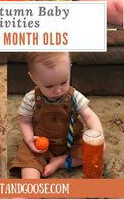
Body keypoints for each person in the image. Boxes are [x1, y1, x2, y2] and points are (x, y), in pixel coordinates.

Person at [9, 52, 104, 191]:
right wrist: (29, 139)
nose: (58, 90)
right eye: (49, 86)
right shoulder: (30, 99)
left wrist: (97, 134)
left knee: (97, 152)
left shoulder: (74, 96)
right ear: (34, 78)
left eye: (64, 82)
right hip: (40, 144)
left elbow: (89, 116)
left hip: (71, 141)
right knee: (28, 160)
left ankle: (61, 162)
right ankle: (30, 190)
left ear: (70, 68)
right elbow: (24, 121)